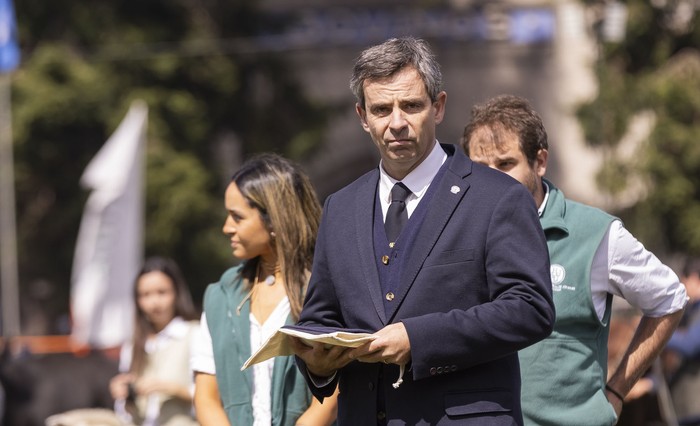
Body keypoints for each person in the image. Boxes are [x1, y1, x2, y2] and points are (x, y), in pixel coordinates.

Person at [290, 37, 555, 425]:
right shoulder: (340, 208)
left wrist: (419, 339)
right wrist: (317, 362)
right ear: (363, 116)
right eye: (382, 109)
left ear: (439, 106)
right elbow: (321, 316)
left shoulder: (497, 197)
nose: (397, 123)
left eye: (411, 105)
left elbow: (530, 309)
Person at [460, 94, 688, 425]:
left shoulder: (594, 233)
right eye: (481, 168)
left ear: (540, 162)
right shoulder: (458, 236)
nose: (492, 179)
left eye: (505, 164)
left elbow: (670, 299)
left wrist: (617, 392)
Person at [191, 153, 338, 426]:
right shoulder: (220, 295)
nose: (226, 227)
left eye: (237, 217)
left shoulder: (329, 285)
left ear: (273, 220)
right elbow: (205, 397)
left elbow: (335, 393)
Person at [109, 256, 200, 426]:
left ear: (177, 293)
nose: (154, 302)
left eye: (162, 292)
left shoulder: (195, 333)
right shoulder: (133, 344)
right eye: (145, 295)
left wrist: (171, 388)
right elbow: (124, 414)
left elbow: (214, 397)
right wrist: (124, 395)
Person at [665, 256, 700, 425]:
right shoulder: (691, 312)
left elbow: (690, 345)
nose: (683, 287)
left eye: (684, 281)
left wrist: (657, 333)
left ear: (694, 278)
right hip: (685, 407)